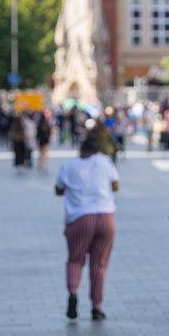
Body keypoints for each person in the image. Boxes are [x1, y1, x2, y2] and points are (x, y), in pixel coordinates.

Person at [55, 136, 119, 321]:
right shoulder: (104, 161)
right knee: (99, 265)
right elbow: (115, 185)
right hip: (106, 219)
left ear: (80, 150)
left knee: (75, 260)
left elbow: (58, 190)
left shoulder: (68, 166)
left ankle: (73, 294)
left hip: (79, 219)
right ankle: (96, 307)